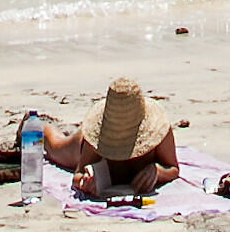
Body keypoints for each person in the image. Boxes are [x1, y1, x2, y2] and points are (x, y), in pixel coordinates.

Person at [42, 75, 178, 202]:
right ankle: (33, 124)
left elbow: (173, 168)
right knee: (54, 144)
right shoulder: (96, 139)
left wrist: (157, 171)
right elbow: (77, 176)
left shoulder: (158, 132)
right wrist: (86, 182)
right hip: (79, 146)